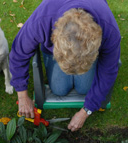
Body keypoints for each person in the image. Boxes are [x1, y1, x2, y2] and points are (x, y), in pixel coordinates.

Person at [9, 0, 121, 132]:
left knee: (85, 89)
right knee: (59, 90)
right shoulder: (41, 20)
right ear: (54, 38)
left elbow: (108, 71)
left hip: (88, 47)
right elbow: (18, 54)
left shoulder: (110, 30)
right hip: (53, 39)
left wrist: (86, 111)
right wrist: (22, 95)